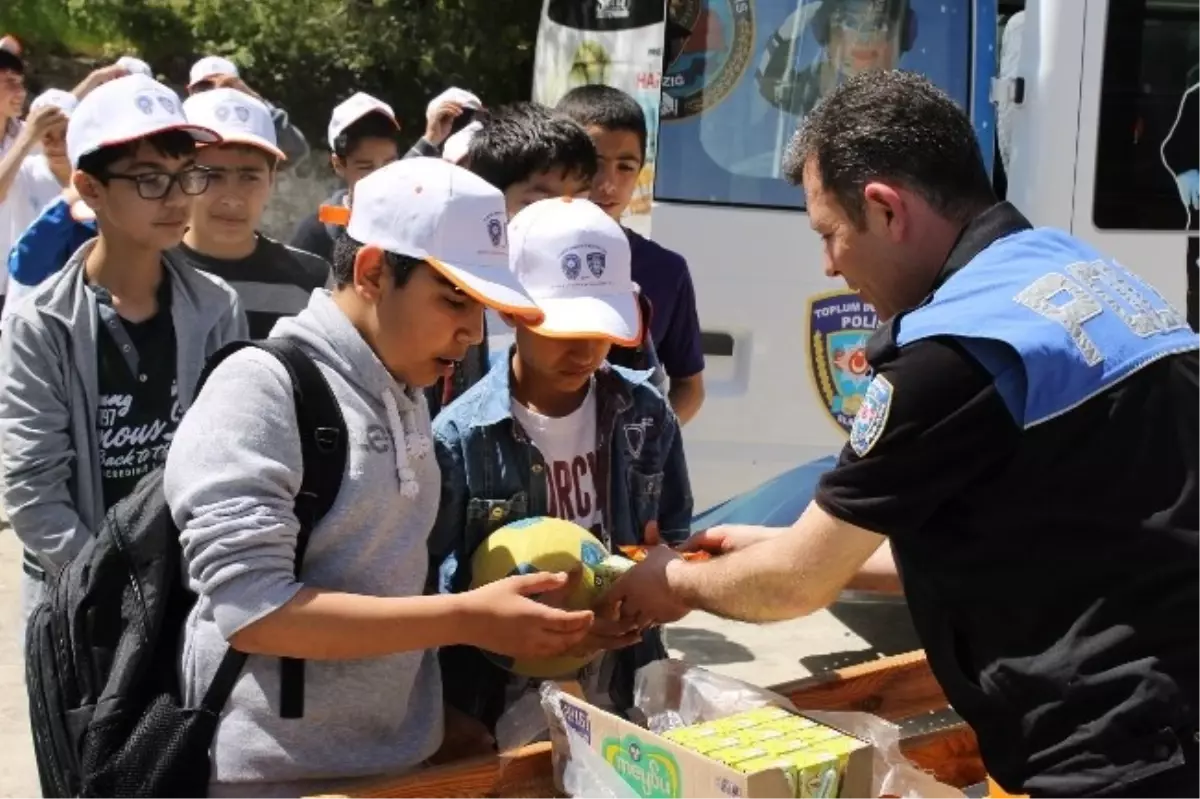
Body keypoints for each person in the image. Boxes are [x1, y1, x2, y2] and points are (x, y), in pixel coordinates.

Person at [609, 69, 1200, 799]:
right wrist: (787, 546)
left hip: (1110, 752)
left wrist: (670, 581)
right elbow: (1037, 535)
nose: (829, 264)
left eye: (830, 232)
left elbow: (793, 586)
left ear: (887, 209)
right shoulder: (1081, 275)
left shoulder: (951, 351)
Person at [163, 157, 594, 798]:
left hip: (395, 765)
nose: (472, 331)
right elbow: (254, 613)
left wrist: (431, 717)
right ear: (372, 273)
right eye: (453, 300)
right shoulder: (260, 389)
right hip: (273, 776)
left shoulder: (405, 384)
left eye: (483, 308)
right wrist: (465, 618)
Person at [0, 73, 247, 645]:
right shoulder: (39, 324)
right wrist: (115, 590)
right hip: (80, 608)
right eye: (150, 179)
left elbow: (224, 460)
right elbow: (35, 494)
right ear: (89, 188)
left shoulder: (215, 307)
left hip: (188, 598)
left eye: (188, 174)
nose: (179, 197)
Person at [432, 196, 693, 733]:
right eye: (562, 331)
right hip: (497, 699)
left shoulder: (646, 413)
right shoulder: (459, 437)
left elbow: (671, 538)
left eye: (599, 331)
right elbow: (438, 587)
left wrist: (654, 587)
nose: (584, 351)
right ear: (510, 310)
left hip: (624, 678)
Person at [429, 101, 598, 418]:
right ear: (489, 202)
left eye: (580, 201)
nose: (563, 217)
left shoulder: (608, 292)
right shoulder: (447, 299)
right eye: (538, 202)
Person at [556, 85, 707, 423]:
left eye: (625, 167)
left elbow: (690, 387)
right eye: (594, 164)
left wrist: (645, 445)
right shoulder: (519, 257)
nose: (608, 185)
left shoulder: (666, 271)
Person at [179, 87, 330, 337]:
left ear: (271, 178)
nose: (232, 198)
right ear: (182, 176)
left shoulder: (312, 281)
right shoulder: (148, 273)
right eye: (212, 176)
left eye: (249, 177)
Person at [287, 92, 401, 262]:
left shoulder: (416, 229)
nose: (381, 177)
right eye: (366, 167)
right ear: (338, 165)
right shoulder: (316, 234)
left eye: (389, 164)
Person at [186, 55, 310, 167]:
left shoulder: (251, 124)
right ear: (190, 91)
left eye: (227, 85)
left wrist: (256, 101)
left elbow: (297, 149)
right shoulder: (182, 121)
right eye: (204, 86)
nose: (215, 91)